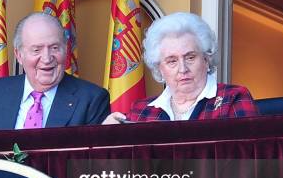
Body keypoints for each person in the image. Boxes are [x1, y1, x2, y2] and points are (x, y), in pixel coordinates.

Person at [103, 12, 258, 124]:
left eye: (190, 57)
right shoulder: (142, 111)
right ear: (159, 68)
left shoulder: (232, 99)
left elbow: (248, 161)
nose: (183, 69)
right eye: (172, 61)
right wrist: (108, 138)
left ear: (206, 58)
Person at [0, 12, 110, 131]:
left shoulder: (92, 100)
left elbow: (87, 162)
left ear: (65, 49)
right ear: (19, 55)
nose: (47, 59)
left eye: (54, 48)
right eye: (36, 50)